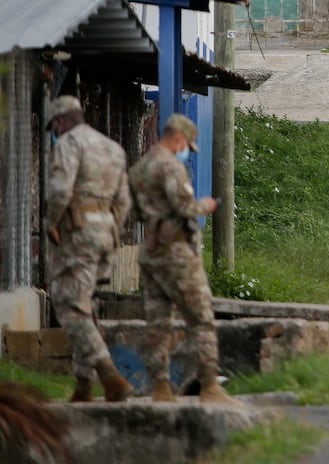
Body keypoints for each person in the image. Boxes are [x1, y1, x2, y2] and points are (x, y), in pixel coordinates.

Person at [127, 113, 240, 405]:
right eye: (186, 144)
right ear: (178, 138)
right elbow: (184, 206)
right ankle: (210, 388)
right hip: (176, 253)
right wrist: (208, 205)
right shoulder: (170, 166)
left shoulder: (139, 169)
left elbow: (136, 212)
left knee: (157, 323)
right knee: (201, 318)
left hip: (150, 253)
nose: (185, 149)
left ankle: (161, 389)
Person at [43, 95, 134, 403]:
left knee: (69, 303)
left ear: (61, 121)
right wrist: (111, 230)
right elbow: (124, 201)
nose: (56, 130)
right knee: (85, 303)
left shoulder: (69, 143)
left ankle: (109, 375)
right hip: (107, 234)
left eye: (54, 126)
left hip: (78, 233)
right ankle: (83, 385)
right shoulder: (113, 148)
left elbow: (59, 189)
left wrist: (51, 222)